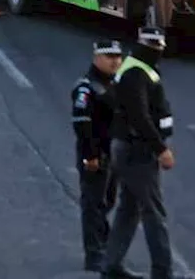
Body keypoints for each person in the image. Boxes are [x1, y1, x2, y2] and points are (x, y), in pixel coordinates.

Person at [99, 27, 184, 279]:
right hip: (137, 151)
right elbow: (139, 116)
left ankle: (111, 266)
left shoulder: (138, 67)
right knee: (153, 213)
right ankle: (162, 271)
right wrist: (161, 149)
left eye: (159, 44)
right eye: (154, 44)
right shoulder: (135, 73)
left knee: (129, 209)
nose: (158, 49)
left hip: (130, 148)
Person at [72, 40, 130, 274]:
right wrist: (91, 155)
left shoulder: (115, 84)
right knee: (93, 205)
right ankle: (94, 254)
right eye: (109, 57)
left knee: (107, 202)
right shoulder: (87, 88)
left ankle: (103, 246)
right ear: (97, 58)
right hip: (95, 155)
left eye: (118, 56)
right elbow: (82, 124)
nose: (115, 61)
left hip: (112, 154)